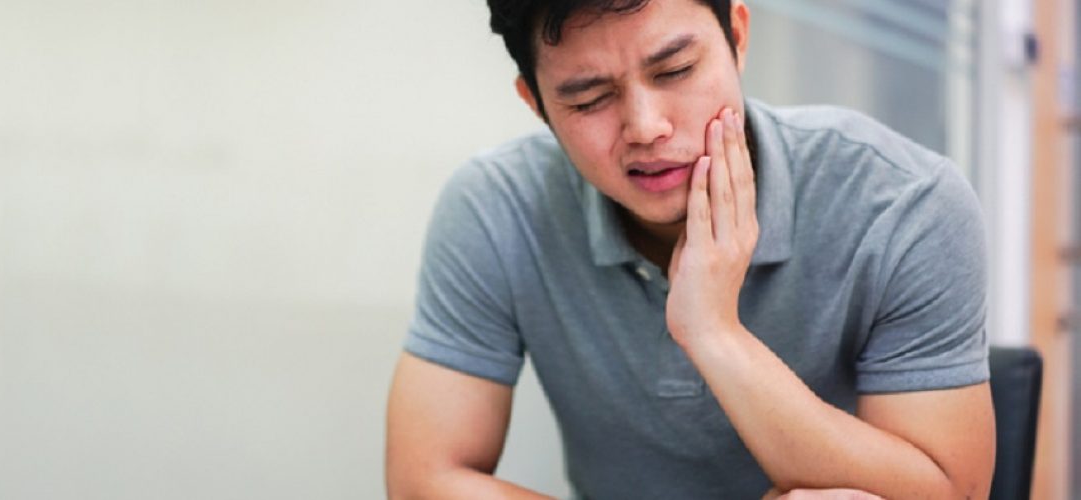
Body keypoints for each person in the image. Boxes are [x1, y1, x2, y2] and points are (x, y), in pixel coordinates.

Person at [385, 0, 996, 498]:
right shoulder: (496, 207)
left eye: (675, 70)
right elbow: (424, 480)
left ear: (737, 34)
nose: (646, 126)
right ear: (536, 105)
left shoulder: (904, 202)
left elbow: (950, 490)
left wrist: (713, 333)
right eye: (589, 99)